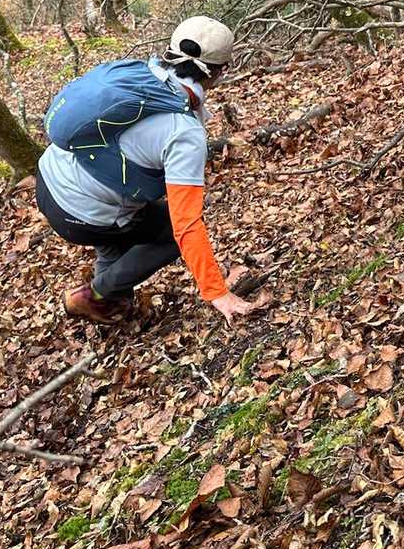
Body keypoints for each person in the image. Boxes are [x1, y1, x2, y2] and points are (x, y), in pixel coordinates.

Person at [36, 16, 258, 325]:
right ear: (220, 71)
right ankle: (92, 296)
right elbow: (186, 225)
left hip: (48, 179)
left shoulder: (135, 74)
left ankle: (110, 303)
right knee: (168, 232)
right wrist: (217, 292)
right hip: (79, 213)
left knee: (130, 218)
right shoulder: (184, 132)